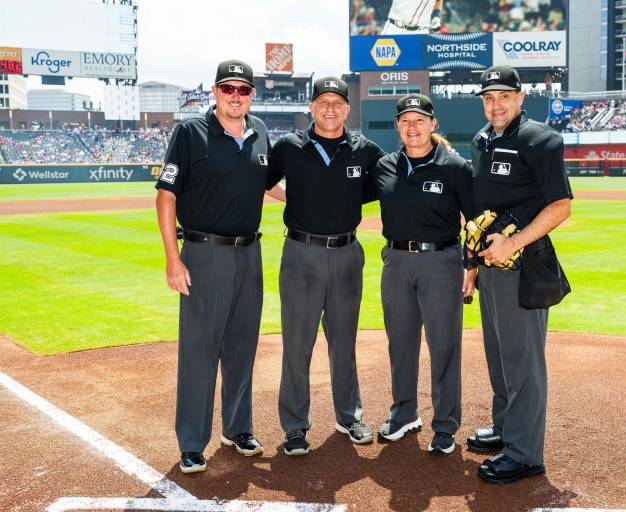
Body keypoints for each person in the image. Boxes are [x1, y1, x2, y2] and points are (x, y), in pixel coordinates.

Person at [156, 59, 282, 474]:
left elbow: (268, 185)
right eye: (227, 89)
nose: (235, 96)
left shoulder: (261, 131)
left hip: (250, 253)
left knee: (242, 346)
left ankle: (238, 428)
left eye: (242, 90)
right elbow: (166, 195)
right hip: (204, 253)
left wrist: (316, 202)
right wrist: (173, 259)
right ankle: (192, 442)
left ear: (251, 95)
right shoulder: (191, 132)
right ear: (214, 92)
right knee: (199, 351)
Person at [266, 77, 384, 456]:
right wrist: (293, 198)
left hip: (347, 253)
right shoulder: (288, 146)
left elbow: (382, 187)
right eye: (323, 102)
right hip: (301, 252)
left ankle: (349, 416)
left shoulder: (365, 150)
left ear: (347, 109)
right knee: (297, 343)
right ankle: (295, 426)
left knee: (344, 341)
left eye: (337, 102)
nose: (330, 109)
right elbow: (263, 182)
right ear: (311, 107)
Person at [467, 65, 572, 483]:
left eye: (503, 96)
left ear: (520, 97)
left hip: (524, 266)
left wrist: (513, 242)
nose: (495, 105)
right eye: (489, 98)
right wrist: (472, 263)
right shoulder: (481, 139)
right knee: (498, 356)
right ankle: (508, 430)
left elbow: (560, 206)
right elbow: (479, 210)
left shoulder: (541, 141)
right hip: (490, 266)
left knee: (522, 361)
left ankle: (526, 454)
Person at [375, 93, 475, 454]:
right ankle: (404, 413)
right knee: (400, 344)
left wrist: (472, 268)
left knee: (444, 347)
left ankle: (445, 425)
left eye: (420, 120)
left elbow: (476, 222)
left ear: (433, 124)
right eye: (405, 121)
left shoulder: (455, 166)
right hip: (397, 262)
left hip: (442, 264)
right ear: (398, 126)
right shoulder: (385, 165)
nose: (412, 127)